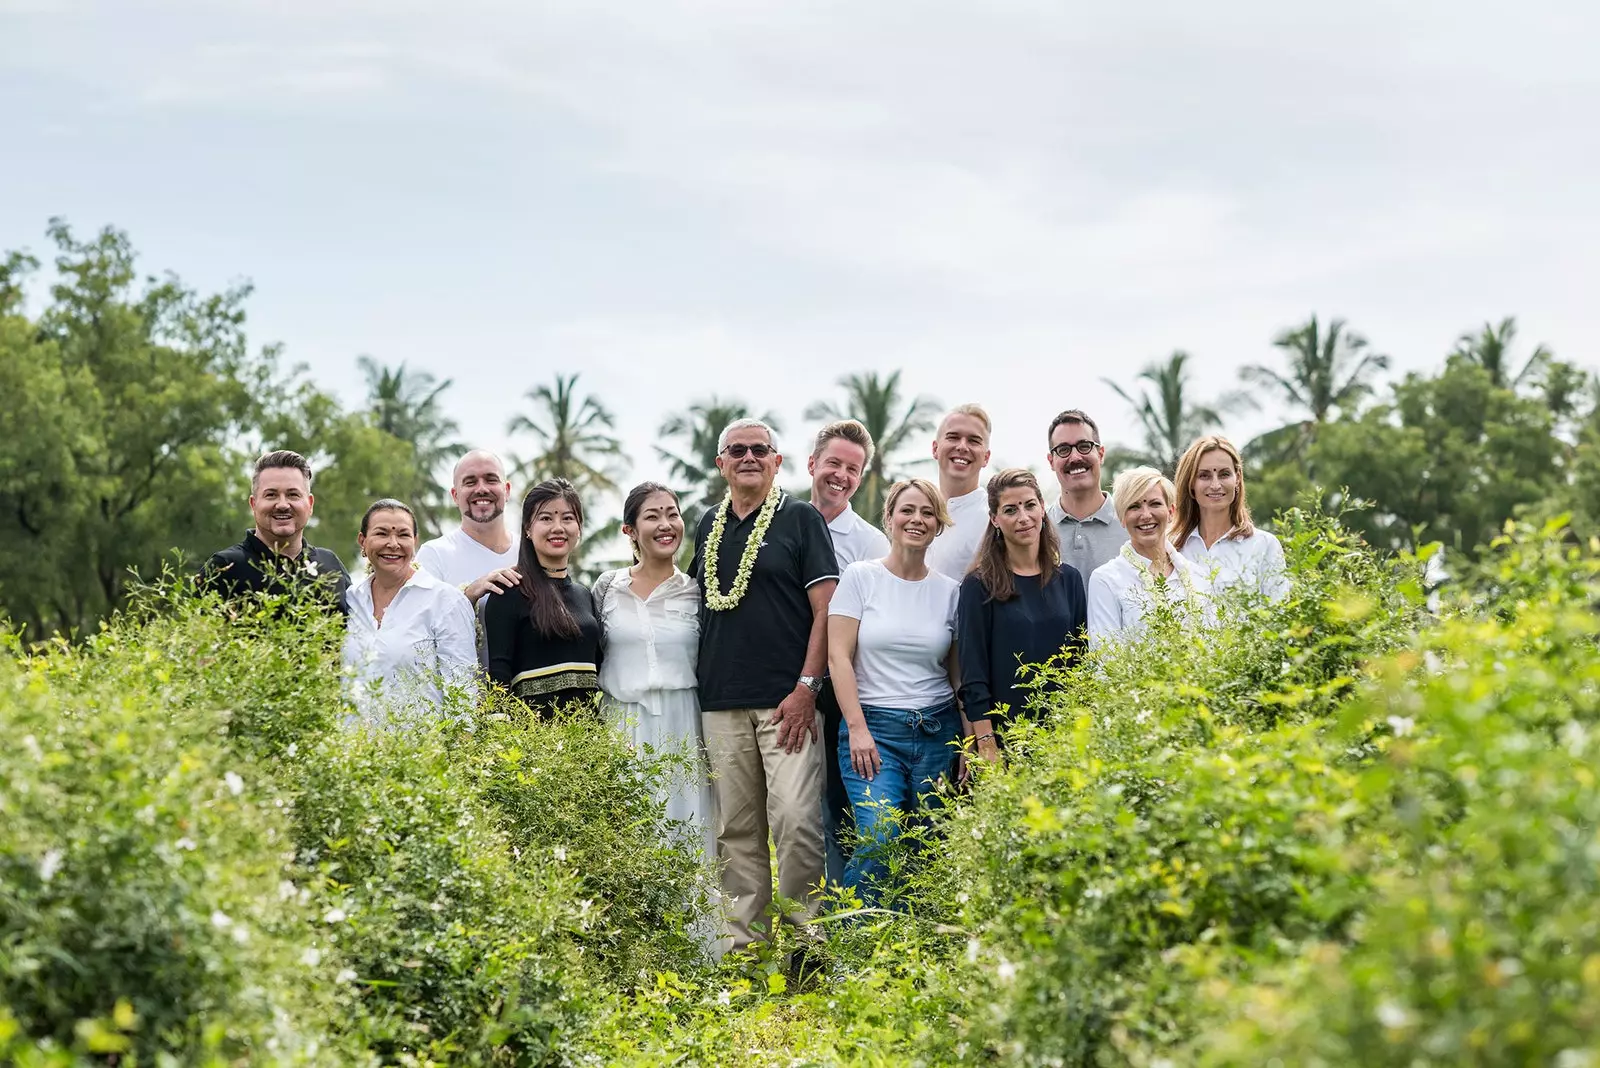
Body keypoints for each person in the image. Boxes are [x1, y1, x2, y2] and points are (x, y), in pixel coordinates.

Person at [691, 418, 838, 957]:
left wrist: (806, 688)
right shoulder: (707, 525)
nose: (749, 456)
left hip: (788, 704)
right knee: (736, 831)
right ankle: (745, 950)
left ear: (777, 461)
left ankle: (808, 945)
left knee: (797, 821)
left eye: (760, 449)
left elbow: (827, 610)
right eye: (737, 450)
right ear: (721, 463)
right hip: (721, 702)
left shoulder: (800, 519)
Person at [827, 478, 960, 904]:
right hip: (874, 730)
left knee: (928, 846)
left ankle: (916, 957)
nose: (916, 520)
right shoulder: (860, 577)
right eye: (908, 510)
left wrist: (969, 740)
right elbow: (838, 659)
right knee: (880, 838)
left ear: (938, 525)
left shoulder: (950, 591)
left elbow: (957, 675)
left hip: (938, 730)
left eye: (927, 513)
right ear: (889, 518)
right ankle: (856, 956)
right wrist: (858, 729)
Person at [594, 483, 717, 887]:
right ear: (629, 530)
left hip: (686, 722)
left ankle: (699, 949)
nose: (666, 525)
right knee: (629, 834)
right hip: (621, 724)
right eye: (652, 516)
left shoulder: (697, 591)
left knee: (689, 829)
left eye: (672, 513)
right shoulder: (606, 588)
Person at [806, 419, 889, 889]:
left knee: (842, 817)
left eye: (852, 469)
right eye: (833, 463)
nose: (840, 475)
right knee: (800, 820)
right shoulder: (784, 526)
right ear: (812, 463)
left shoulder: (870, 545)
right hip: (788, 689)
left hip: (842, 697)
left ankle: (845, 931)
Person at [957, 469, 1088, 754]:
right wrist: (987, 744)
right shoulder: (978, 586)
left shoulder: (1070, 580)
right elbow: (973, 676)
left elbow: (1080, 663)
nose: (1023, 517)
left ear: (1043, 507)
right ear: (994, 519)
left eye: (1030, 505)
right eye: (1010, 510)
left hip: (1063, 739)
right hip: (1005, 741)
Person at [342, 498, 478, 720]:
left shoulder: (445, 601)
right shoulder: (351, 600)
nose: (393, 543)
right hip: (352, 750)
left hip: (421, 751)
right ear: (362, 541)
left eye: (403, 535)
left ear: (415, 542)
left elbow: (462, 696)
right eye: (382, 533)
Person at [483, 478, 602, 715]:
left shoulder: (585, 595)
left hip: (589, 742)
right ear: (528, 528)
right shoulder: (508, 592)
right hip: (535, 744)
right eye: (546, 518)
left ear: (579, 527)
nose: (558, 527)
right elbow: (498, 679)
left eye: (567, 518)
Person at [200, 449, 350, 612]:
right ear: (253, 504)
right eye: (271, 495)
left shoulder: (330, 565)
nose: (283, 505)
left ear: (310, 504)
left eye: (293, 495)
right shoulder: (225, 567)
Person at [1086, 466, 1211, 644]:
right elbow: (1106, 659)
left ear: (1171, 512)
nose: (1146, 515)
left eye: (1155, 504)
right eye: (1134, 506)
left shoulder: (1197, 576)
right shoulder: (1106, 580)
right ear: (1121, 518)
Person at [1172, 435, 1289, 601]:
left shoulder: (1264, 545)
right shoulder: (1172, 548)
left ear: (1238, 478)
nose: (1215, 485)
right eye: (1204, 475)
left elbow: (1280, 618)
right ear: (1191, 483)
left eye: (1224, 474)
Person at [416, 449, 521, 601]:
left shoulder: (529, 550)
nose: (482, 489)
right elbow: (423, 620)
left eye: (491, 479)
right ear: (455, 495)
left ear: (507, 490)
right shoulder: (434, 555)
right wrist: (470, 593)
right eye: (470, 482)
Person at [1044, 409, 1129, 580]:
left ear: (1101, 454)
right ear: (1051, 461)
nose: (1075, 457)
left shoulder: (1131, 525)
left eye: (1084, 446)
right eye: (1063, 449)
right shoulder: (1038, 530)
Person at [924, 404, 994, 581]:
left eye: (974, 441)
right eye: (953, 437)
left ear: (986, 457)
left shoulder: (992, 519)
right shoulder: (912, 512)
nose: (962, 447)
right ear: (935, 449)